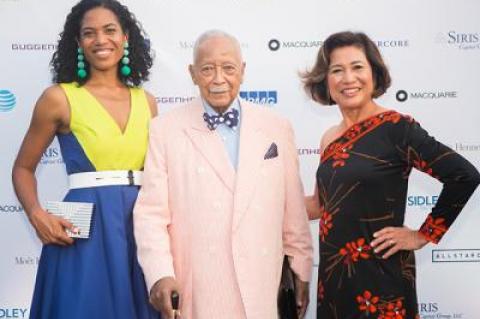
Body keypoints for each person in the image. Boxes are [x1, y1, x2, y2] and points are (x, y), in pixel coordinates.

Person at [133, 30, 314, 319]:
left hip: (263, 281)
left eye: (228, 68)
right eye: (207, 69)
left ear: (242, 72)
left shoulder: (276, 127)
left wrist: (302, 268)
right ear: (192, 74)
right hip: (200, 284)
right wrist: (159, 274)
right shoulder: (165, 129)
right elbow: (151, 214)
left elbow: (292, 207)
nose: (218, 79)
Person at [302, 31, 480, 319]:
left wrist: (424, 234)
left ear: (374, 72)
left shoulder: (397, 128)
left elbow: (464, 176)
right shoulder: (329, 138)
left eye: (357, 67)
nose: (348, 78)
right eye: (337, 70)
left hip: (381, 280)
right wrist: (262, 199)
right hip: (336, 281)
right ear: (326, 80)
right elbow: (322, 206)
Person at [11, 1, 160, 318]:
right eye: (89, 33)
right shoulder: (58, 98)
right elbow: (23, 168)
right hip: (83, 230)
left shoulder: (148, 102)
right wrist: (37, 213)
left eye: (110, 30)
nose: (101, 40)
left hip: (141, 225)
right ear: (78, 43)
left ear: (126, 37)